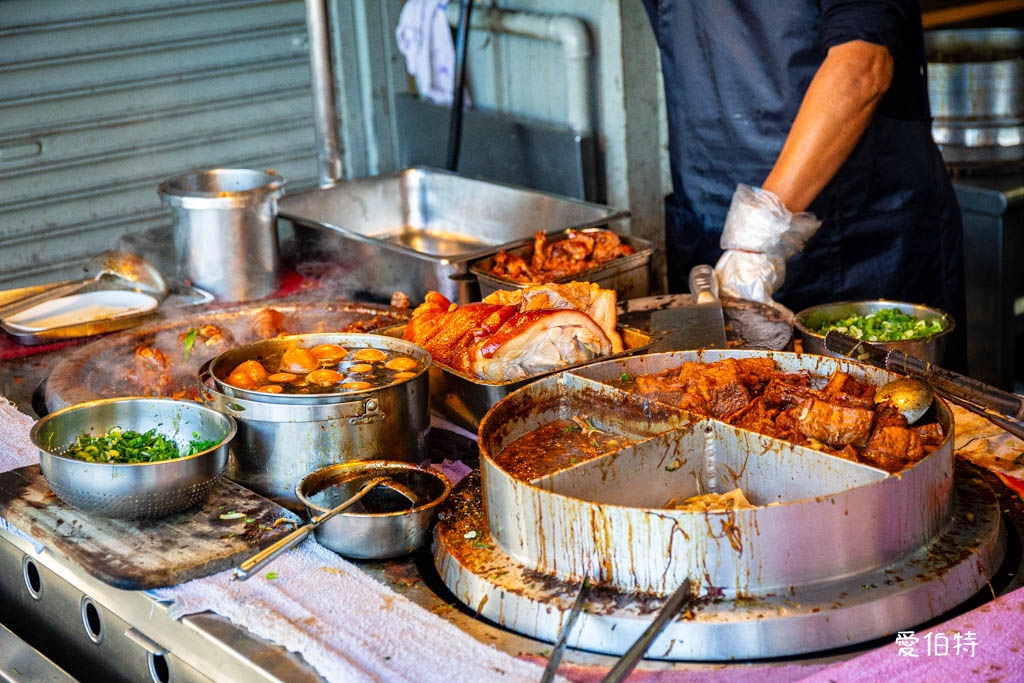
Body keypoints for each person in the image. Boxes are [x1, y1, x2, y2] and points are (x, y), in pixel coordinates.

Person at [640, 0, 967, 371]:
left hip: (858, 244)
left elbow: (863, 66)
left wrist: (757, 235)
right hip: (708, 225)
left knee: (893, 415)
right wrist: (744, 246)